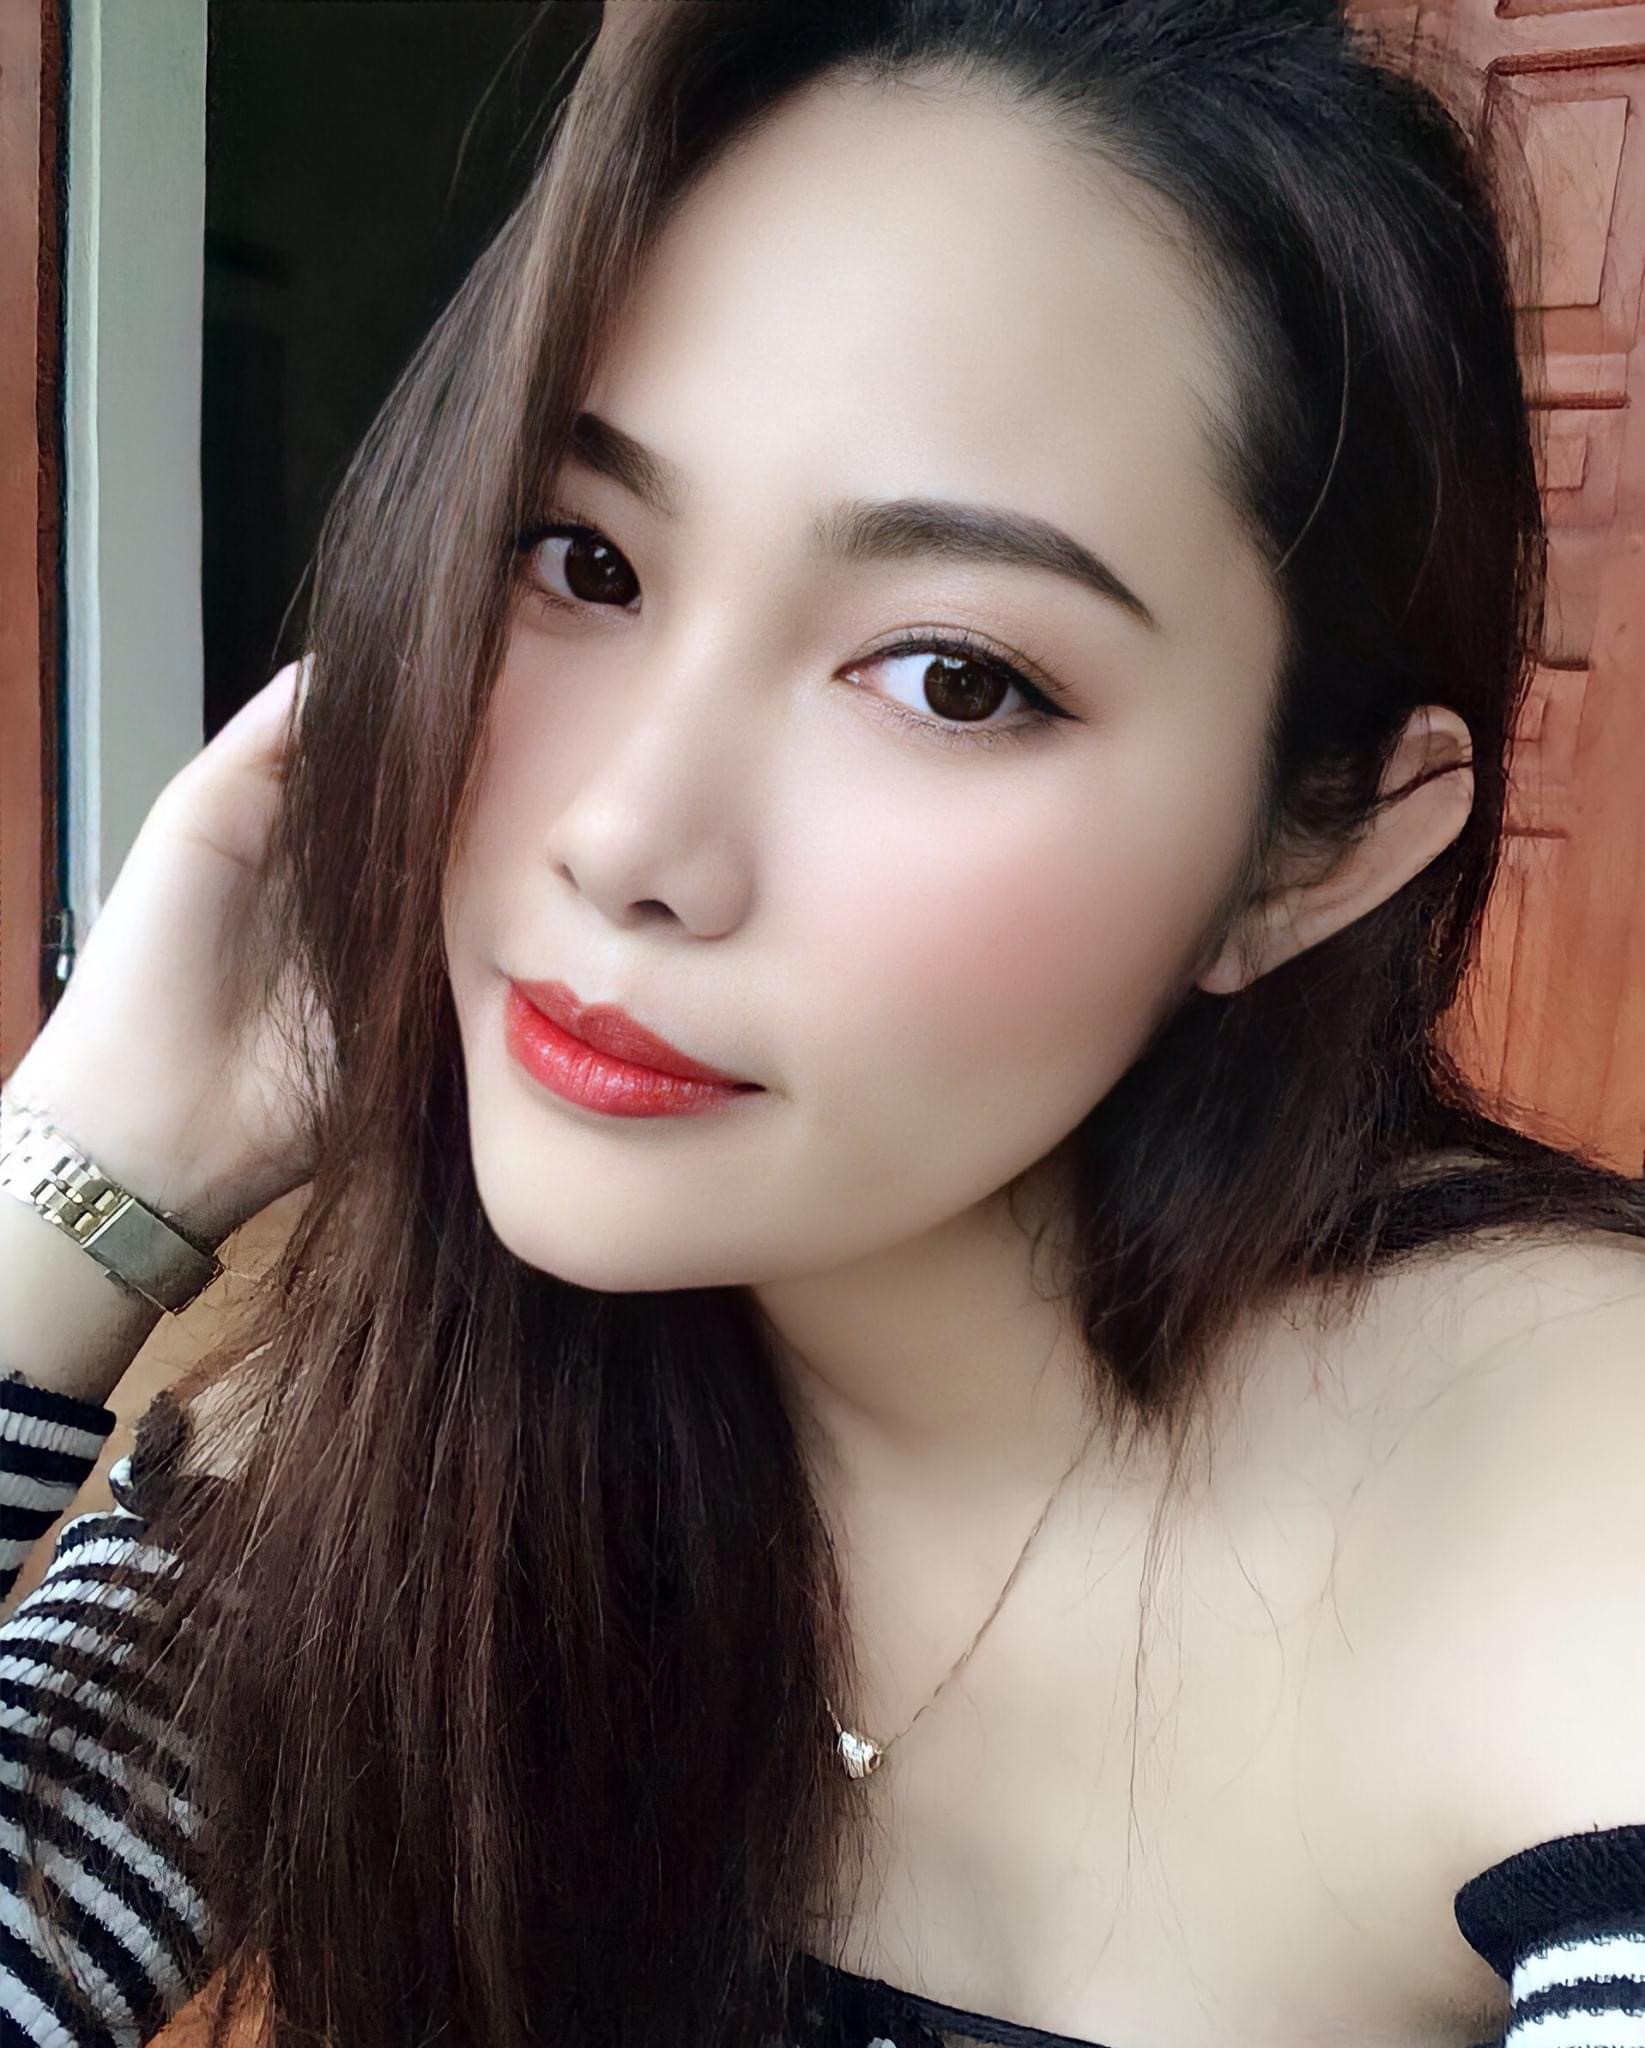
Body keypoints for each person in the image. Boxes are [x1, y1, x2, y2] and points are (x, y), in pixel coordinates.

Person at [1, 2, 1643, 2044]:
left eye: (953, 676)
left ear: (1306, 853)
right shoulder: (411, 1440)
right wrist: (92, 1169)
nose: (624, 839)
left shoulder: (1571, 1503)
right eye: (580, 558)